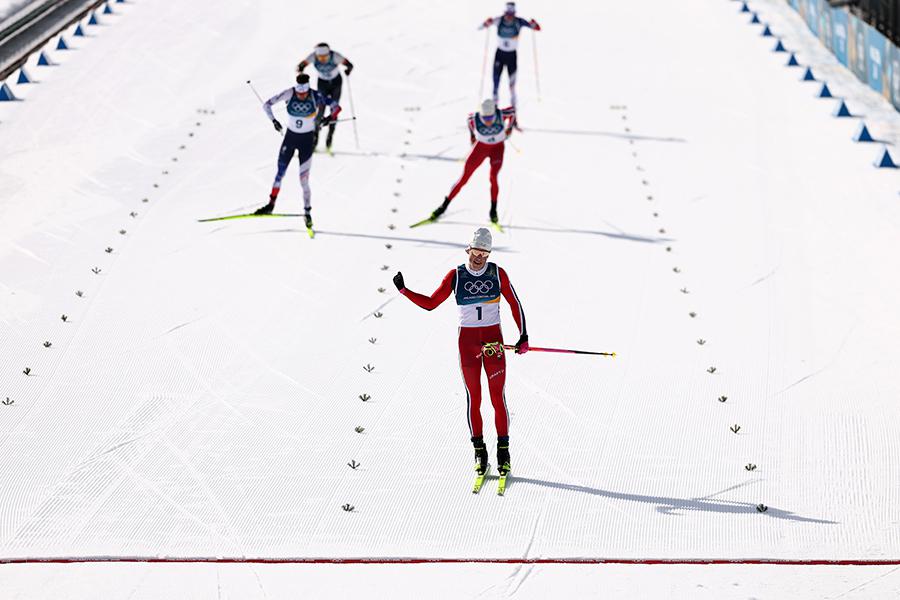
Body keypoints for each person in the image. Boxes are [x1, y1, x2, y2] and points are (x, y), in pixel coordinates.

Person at [392, 228, 528, 478]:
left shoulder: (498, 273)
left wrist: (523, 336)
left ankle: (504, 452)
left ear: (489, 254)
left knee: (497, 398)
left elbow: (514, 303)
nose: (479, 258)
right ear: (468, 249)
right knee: (474, 399)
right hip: (468, 345)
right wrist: (404, 290)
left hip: (493, 343)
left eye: (484, 253)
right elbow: (431, 303)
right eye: (475, 251)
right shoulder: (456, 276)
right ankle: (479, 452)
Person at [254, 74, 341, 228]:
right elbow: (266, 105)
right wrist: (274, 121)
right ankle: (270, 205)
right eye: (299, 93)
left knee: (304, 180)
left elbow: (337, 107)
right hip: (290, 139)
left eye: (303, 93)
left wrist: (328, 118)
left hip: (306, 142)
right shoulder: (289, 93)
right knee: (279, 174)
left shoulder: (315, 95)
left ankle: (307, 213)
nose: (301, 96)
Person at [428, 99, 515, 226]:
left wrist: (510, 127)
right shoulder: (474, 118)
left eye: (491, 117)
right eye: (485, 118)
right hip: (481, 148)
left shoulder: (501, 114)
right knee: (464, 178)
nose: (488, 121)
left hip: (497, 149)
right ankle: (443, 207)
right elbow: (469, 121)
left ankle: (493, 211)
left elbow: (512, 112)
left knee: (493, 177)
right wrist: (472, 137)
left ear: (494, 113)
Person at [479, 2, 541, 113]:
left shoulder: (519, 21)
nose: (509, 17)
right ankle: (494, 111)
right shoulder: (499, 20)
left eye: (511, 14)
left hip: (511, 56)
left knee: (512, 86)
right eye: (507, 14)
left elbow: (537, 28)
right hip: (500, 55)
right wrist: (486, 22)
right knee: (496, 84)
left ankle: (514, 113)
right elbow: (480, 27)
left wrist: (534, 24)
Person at [297, 42, 354, 152]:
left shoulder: (335, 56)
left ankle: (329, 139)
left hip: (336, 83)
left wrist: (348, 69)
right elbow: (302, 65)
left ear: (329, 54)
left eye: (325, 57)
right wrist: (301, 69)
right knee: (320, 109)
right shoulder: (313, 56)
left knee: (334, 109)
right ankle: (314, 140)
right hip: (322, 84)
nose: (323, 59)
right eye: (320, 57)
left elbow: (349, 64)